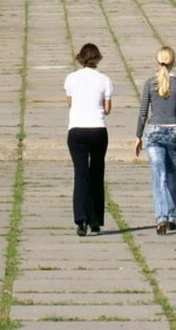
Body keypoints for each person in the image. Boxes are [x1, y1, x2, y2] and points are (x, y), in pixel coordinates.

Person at [133, 46, 176, 234]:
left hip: (154, 132)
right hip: (175, 132)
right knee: (171, 175)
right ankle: (171, 215)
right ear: (173, 61)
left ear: (156, 62)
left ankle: (162, 218)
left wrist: (138, 136)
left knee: (159, 176)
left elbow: (143, 113)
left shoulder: (149, 84)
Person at [64, 43, 113, 236]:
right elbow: (107, 109)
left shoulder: (71, 78)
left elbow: (70, 103)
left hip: (76, 130)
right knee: (97, 173)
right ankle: (96, 221)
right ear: (98, 59)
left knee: (81, 175)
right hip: (98, 130)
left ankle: (81, 220)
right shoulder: (105, 80)